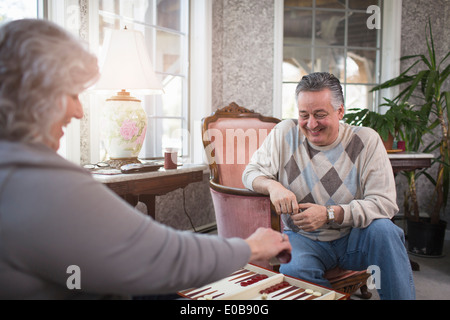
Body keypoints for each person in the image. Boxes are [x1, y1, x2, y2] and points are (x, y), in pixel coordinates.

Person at [0, 19, 291, 300]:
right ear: (37, 94)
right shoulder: (40, 182)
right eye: (72, 94)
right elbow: (161, 255)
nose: (78, 111)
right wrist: (250, 247)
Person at [242, 72, 415, 300]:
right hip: (303, 238)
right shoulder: (285, 133)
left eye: (320, 115)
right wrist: (273, 186)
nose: (311, 124)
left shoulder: (366, 140)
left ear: (340, 111)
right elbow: (250, 172)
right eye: (304, 115)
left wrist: (330, 214)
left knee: (385, 230)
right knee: (293, 269)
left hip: (355, 236)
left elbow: (384, 204)